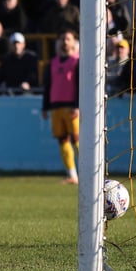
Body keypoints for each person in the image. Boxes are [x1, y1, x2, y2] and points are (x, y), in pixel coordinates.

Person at [41, 30, 81, 185]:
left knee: (77, 140)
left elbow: (79, 85)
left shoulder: (77, 61)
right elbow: (48, 85)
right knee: (62, 140)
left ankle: (89, 173)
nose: (65, 41)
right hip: (56, 106)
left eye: (68, 39)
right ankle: (72, 175)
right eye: (63, 38)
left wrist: (78, 105)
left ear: (74, 42)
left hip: (71, 106)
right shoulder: (53, 62)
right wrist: (45, 107)